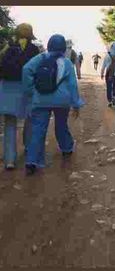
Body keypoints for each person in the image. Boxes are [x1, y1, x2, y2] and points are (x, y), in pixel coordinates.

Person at [22, 34, 85, 175]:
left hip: (40, 99)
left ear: (49, 45)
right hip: (62, 101)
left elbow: (26, 70)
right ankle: (67, 148)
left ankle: (32, 161)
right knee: (61, 125)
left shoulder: (40, 58)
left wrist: (30, 91)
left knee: (38, 129)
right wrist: (76, 103)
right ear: (63, 47)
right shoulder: (67, 62)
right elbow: (72, 85)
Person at [0, 23, 40, 170]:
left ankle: (9, 159)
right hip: (26, 88)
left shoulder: (7, 48)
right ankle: (29, 149)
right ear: (30, 36)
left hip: (7, 89)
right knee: (29, 119)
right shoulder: (34, 50)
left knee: (10, 124)